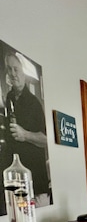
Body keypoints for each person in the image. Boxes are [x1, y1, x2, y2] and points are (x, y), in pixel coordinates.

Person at [2, 52, 51, 208]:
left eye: (16, 69)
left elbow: (46, 140)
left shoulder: (34, 103)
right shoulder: (9, 98)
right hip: (16, 183)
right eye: (9, 69)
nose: (13, 74)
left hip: (35, 183)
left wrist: (25, 134)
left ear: (24, 72)